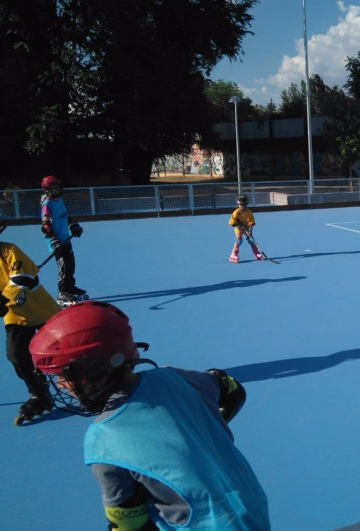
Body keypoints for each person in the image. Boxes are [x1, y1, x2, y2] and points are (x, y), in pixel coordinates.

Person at [29, 301, 271, 531]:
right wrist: (198, 434)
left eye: (63, 376)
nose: (60, 385)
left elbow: (130, 524)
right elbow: (232, 390)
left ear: (96, 371)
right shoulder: (177, 377)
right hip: (251, 503)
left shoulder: (102, 440)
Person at [0, 221, 60, 423]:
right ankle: (39, 393)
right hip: (16, 315)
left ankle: (93, 381)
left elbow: (22, 277)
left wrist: (2, 298)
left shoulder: (9, 250)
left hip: (43, 310)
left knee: (66, 349)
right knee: (16, 355)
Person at [40, 175, 86, 304]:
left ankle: (70, 287)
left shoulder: (59, 200)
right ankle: (62, 293)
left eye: (56, 187)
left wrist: (73, 225)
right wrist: (53, 240)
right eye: (51, 188)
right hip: (57, 242)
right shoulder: (47, 204)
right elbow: (45, 226)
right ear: (46, 190)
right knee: (63, 267)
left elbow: (65, 216)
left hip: (66, 239)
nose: (54, 190)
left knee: (70, 265)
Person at [228, 194, 262, 263]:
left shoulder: (248, 212)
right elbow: (232, 223)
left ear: (246, 205)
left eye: (243, 205)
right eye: (240, 205)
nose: (242, 206)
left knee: (251, 239)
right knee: (239, 240)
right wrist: (240, 227)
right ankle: (233, 254)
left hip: (246, 227)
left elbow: (251, 222)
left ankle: (256, 253)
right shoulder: (236, 213)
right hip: (238, 228)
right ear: (238, 205)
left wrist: (250, 231)